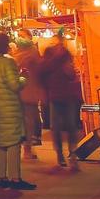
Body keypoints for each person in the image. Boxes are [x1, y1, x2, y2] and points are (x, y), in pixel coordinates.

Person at [0, 32, 35, 191]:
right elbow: (14, 85)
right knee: (13, 143)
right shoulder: (8, 62)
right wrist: (23, 77)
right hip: (9, 108)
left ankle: (1, 177)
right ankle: (15, 178)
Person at [36, 29, 84, 171]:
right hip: (54, 96)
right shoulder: (50, 54)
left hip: (67, 96)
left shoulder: (67, 55)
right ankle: (60, 155)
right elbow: (41, 70)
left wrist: (69, 71)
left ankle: (73, 154)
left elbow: (71, 74)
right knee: (55, 127)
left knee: (70, 125)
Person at [12, 28, 44, 161]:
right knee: (24, 121)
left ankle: (28, 148)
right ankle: (26, 148)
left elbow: (39, 71)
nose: (20, 38)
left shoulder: (32, 53)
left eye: (23, 36)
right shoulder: (17, 53)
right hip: (19, 91)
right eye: (19, 36)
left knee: (29, 121)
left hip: (28, 90)